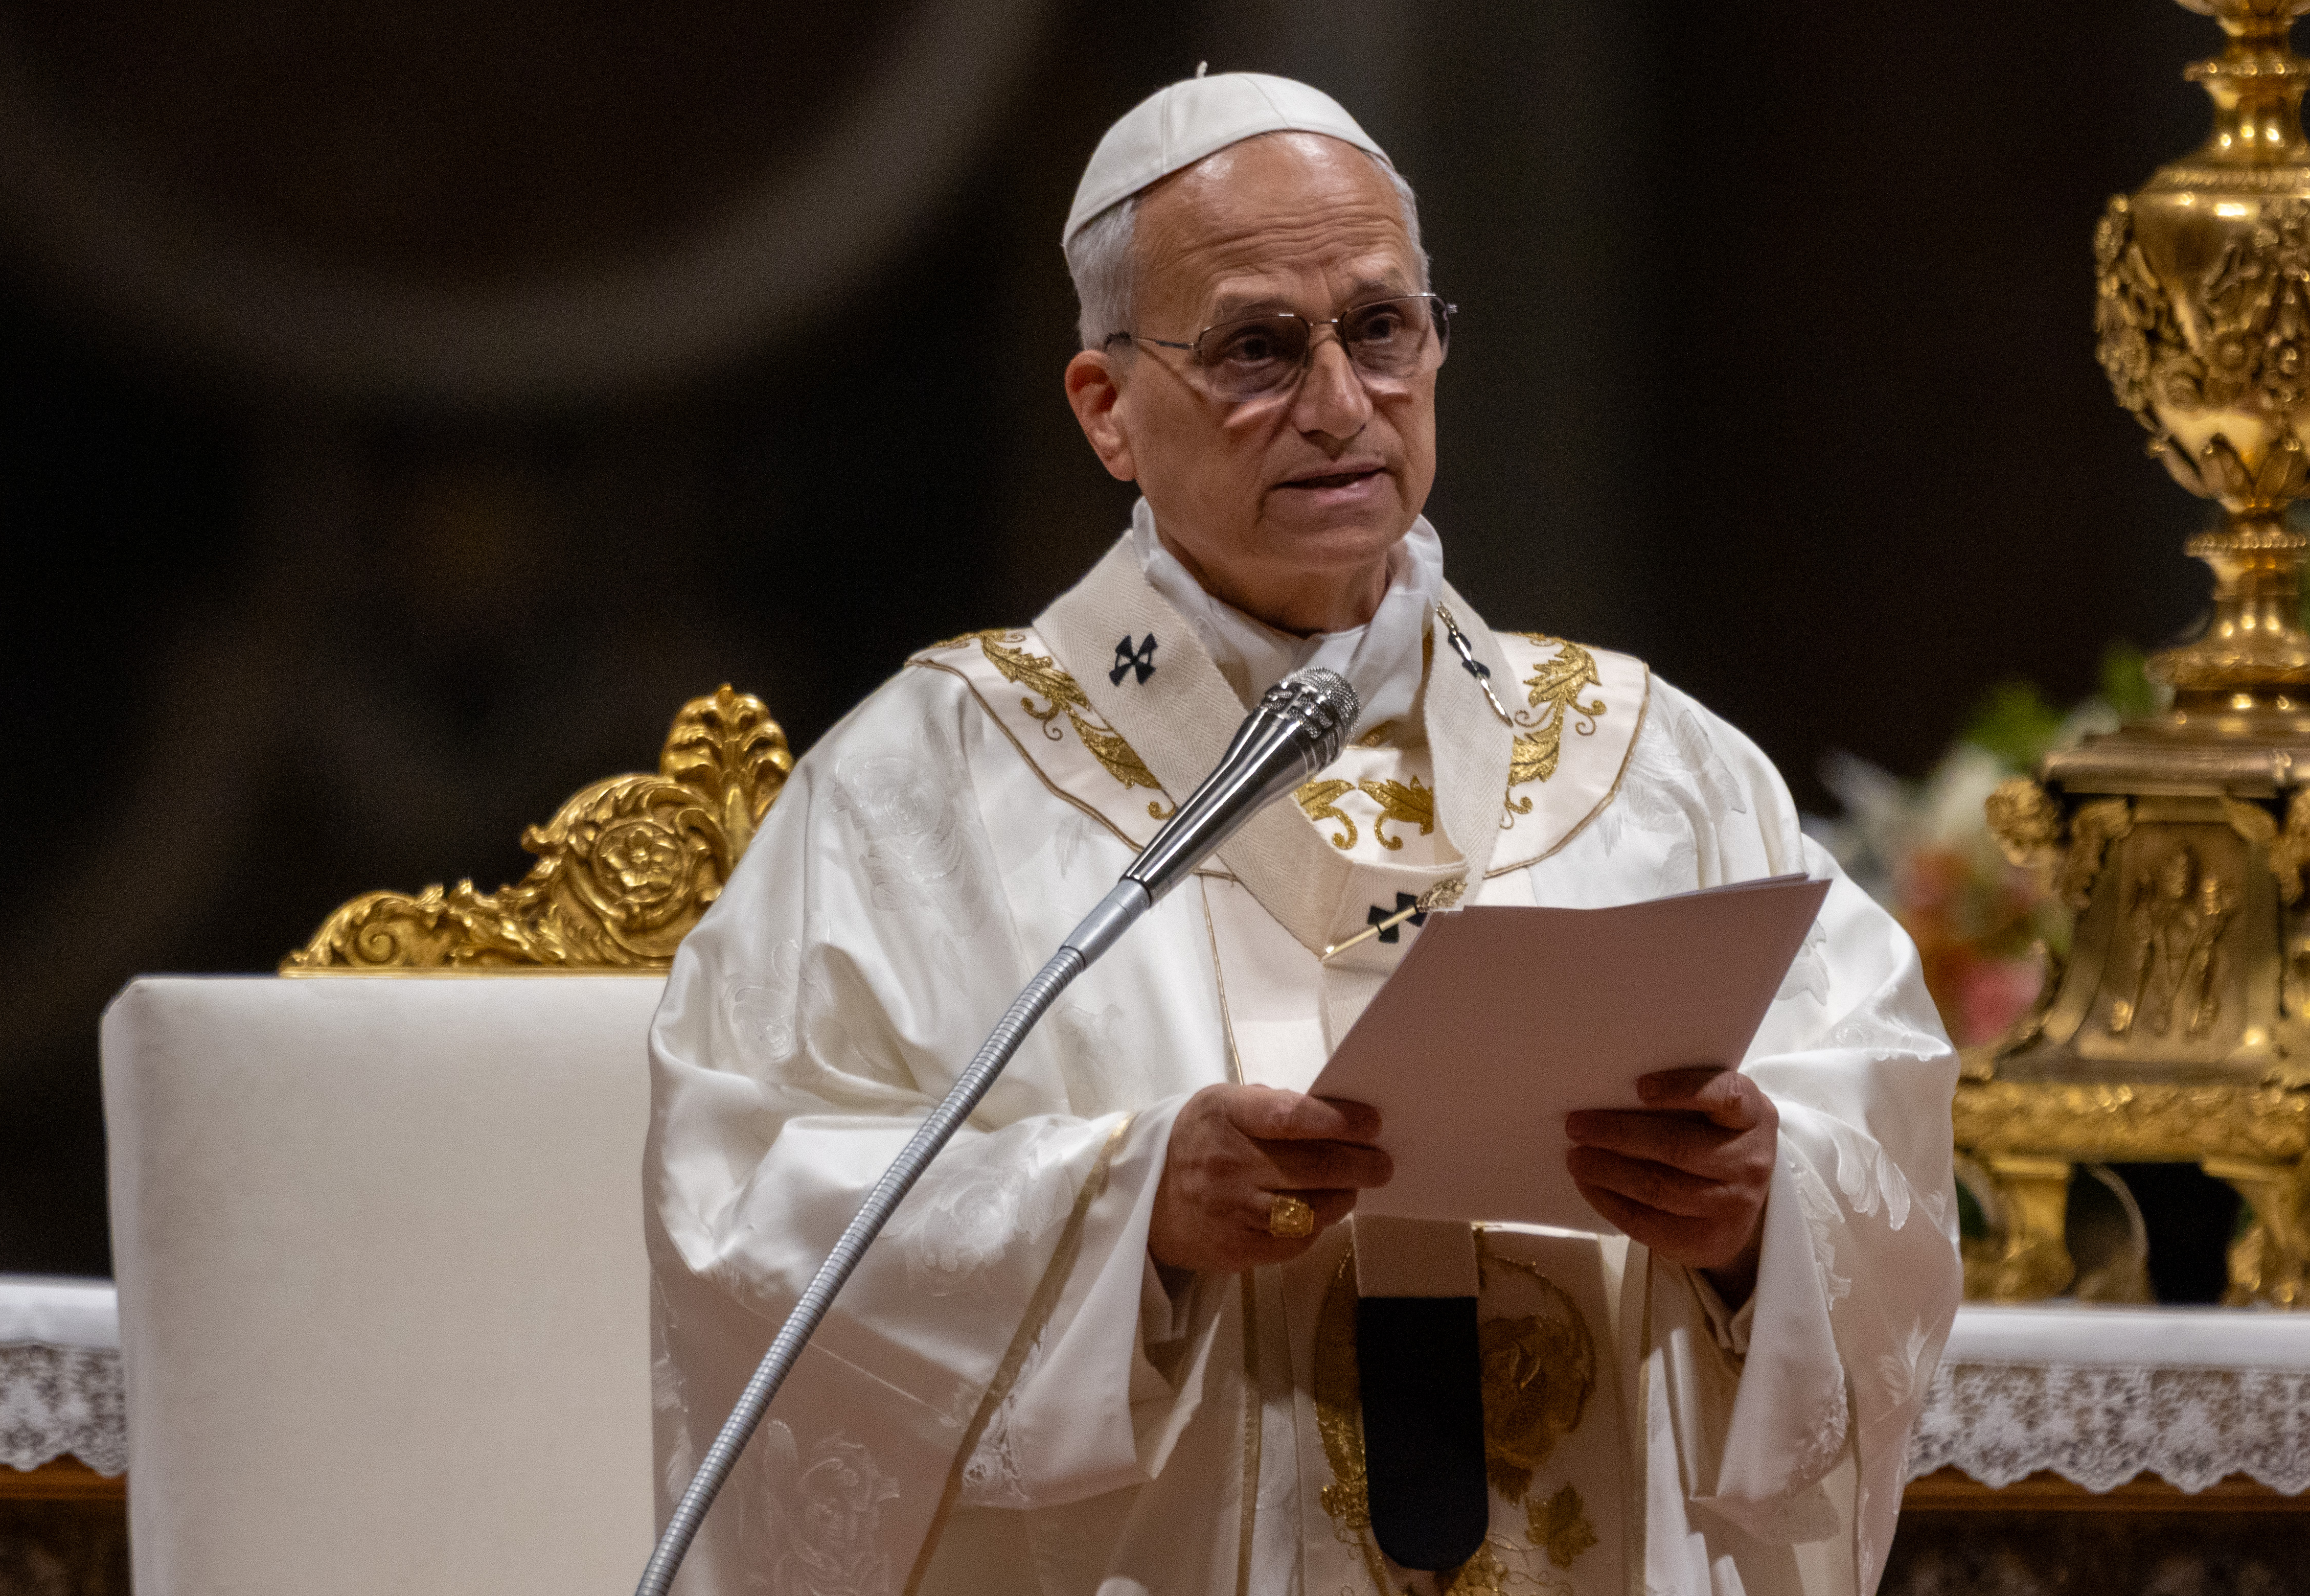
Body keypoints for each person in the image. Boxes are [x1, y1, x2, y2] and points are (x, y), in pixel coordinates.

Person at [645, 72, 1959, 1596]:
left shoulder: (1655, 765)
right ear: (1106, 410)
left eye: (1383, 329)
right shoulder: (927, 794)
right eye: (1259, 349)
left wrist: (1755, 1216)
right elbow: (744, 1214)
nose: (1343, 405)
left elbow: (1880, 1134)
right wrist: (1134, 1213)